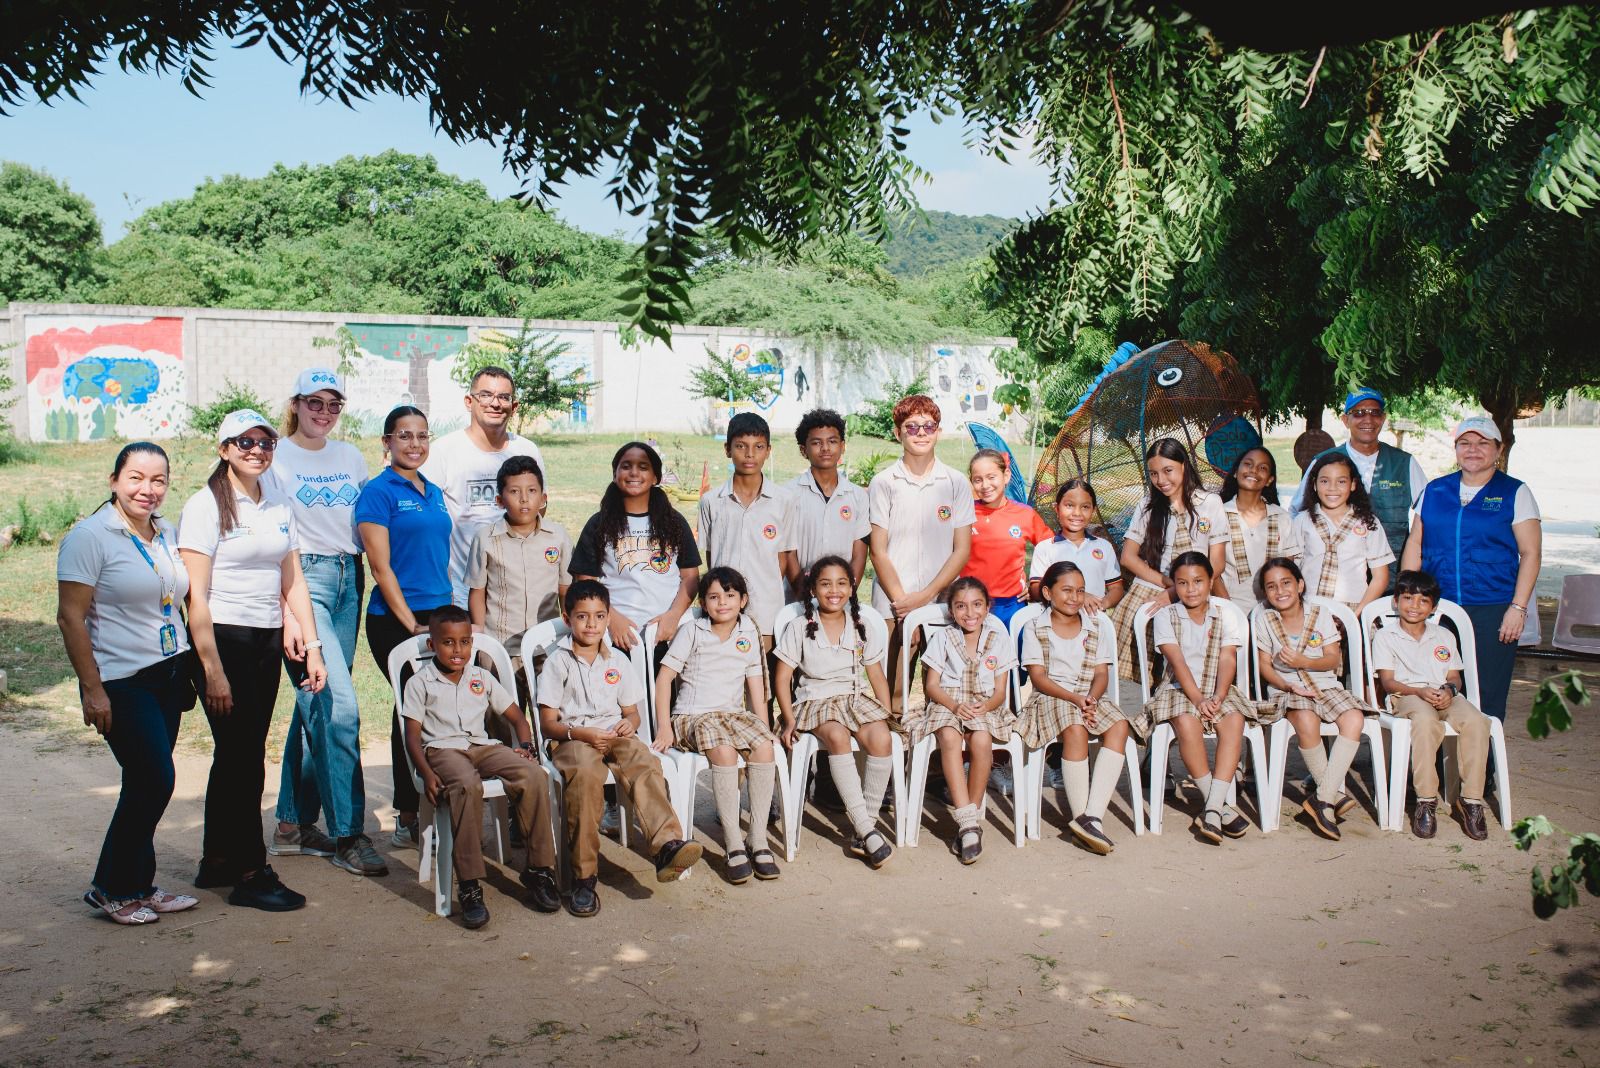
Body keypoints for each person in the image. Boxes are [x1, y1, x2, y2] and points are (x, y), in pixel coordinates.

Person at [178, 410, 328, 911]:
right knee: (245, 761)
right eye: (244, 442)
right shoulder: (204, 506)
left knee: (237, 754)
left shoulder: (277, 501)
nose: (256, 450)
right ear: (223, 449)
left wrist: (310, 641)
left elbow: (293, 579)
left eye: (265, 442)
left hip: (265, 641)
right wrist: (212, 667)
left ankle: (216, 860)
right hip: (222, 640)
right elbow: (194, 597)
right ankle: (249, 870)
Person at [58, 442, 201, 925]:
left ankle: (140, 884)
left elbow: (173, 600)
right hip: (121, 680)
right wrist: (91, 688)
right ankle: (111, 888)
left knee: (148, 782)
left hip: (167, 674)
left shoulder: (164, 532)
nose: (148, 489)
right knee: (153, 779)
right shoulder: (90, 536)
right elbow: (70, 618)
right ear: (114, 480)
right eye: (136, 478)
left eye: (158, 480)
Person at [262, 368, 385, 878]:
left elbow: (364, 521)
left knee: (317, 698)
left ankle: (290, 824)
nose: (324, 413)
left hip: (345, 578)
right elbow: (268, 535)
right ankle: (347, 835)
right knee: (339, 706)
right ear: (296, 403)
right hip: (301, 578)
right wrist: (289, 611)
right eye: (315, 403)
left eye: (334, 405)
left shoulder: (350, 456)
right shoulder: (275, 458)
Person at [537, 580, 704, 916]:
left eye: (599, 616)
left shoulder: (618, 661)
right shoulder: (558, 662)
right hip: (574, 737)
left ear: (608, 617)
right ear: (567, 618)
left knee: (644, 762)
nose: (591, 624)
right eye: (582, 617)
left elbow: (632, 713)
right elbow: (547, 723)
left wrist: (631, 723)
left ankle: (666, 846)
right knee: (584, 778)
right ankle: (584, 877)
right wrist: (581, 734)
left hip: (615, 732)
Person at [402, 606, 561, 928]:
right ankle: (471, 884)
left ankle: (539, 871)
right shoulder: (420, 683)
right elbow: (412, 738)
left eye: (464, 642)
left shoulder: (481, 677)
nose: (457, 650)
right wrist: (427, 773)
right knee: (466, 784)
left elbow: (517, 717)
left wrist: (525, 746)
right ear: (432, 645)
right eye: (448, 643)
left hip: (481, 745)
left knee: (531, 775)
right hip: (442, 750)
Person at [356, 405, 454, 849]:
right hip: (398, 622)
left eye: (422, 436)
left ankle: (437, 798)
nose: (414, 444)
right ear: (387, 442)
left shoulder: (432, 490)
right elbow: (381, 567)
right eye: (404, 436)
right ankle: (407, 812)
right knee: (411, 712)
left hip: (439, 615)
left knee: (439, 709)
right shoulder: (378, 492)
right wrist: (411, 622)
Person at [1401, 416, 1542, 724]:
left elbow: (1531, 553)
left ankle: (1486, 767)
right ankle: (1435, 767)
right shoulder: (1435, 491)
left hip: (1493, 608)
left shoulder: (1515, 492)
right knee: (1434, 685)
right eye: (1465, 443)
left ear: (1499, 449)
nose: (1473, 450)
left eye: (1482, 443)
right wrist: (1407, 596)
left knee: (1487, 690)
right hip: (1437, 607)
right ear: (1456, 449)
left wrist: (1517, 608)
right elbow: (1415, 543)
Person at [651, 568, 781, 884]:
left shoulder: (748, 632)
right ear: (704, 603)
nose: (722, 602)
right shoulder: (693, 631)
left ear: (743, 600)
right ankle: (734, 843)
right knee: (723, 753)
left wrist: (763, 726)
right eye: (713, 597)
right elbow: (665, 678)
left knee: (764, 747)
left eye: (730, 595)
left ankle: (758, 839)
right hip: (692, 717)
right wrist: (664, 726)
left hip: (732, 716)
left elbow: (755, 686)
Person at [774, 555, 897, 869]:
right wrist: (787, 719)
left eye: (842, 583)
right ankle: (867, 828)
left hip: (853, 699)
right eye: (825, 583)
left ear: (852, 586)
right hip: (813, 702)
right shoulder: (800, 626)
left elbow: (876, 674)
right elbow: (783, 676)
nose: (834, 590)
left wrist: (884, 712)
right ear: (813, 588)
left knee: (881, 738)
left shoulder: (861, 625)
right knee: (838, 736)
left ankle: (863, 827)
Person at [1130, 552, 1260, 845]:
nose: (1191, 589)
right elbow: (1177, 663)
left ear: (1211, 581)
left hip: (1219, 687)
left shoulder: (1225, 614)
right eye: (1183, 583)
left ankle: (1213, 808)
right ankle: (1216, 805)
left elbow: (1228, 659)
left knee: (1234, 719)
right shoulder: (1166, 616)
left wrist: (1219, 695)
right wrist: (1199, 699)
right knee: (1187, 724)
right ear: (1174, 586)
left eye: (1199, 581)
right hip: (1180, 688)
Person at [868, 395, 975, 716]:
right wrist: (903, 606)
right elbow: (878, 550)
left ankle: (935, 762)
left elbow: (962, 549)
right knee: (893, 689)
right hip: (892, 601)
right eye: (911, 426)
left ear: (938, 431)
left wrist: (925, 597)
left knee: (943, 687)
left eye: (928, 426)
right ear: (898, 431)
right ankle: (891, 760)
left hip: (942, 602)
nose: (920, 433)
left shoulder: (955, 483)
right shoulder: (884, 482)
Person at [1017, 561, 1131, 855]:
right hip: (1050, 698)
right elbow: (1039, 678)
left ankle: (1090, 817)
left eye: (1080, 591)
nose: (1074, 597)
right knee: (1075, 726)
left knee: (1119, 725)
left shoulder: (1095, 627)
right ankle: (1081, 814)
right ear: (1046, 592)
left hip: (1088, 695)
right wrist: (1076, 700)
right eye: (1066, 590)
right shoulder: (1034, 628)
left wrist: (1091, 698)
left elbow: (1102, 674)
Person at [1254, 558, 1371, 841]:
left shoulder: (1319, 614)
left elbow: (1332, 659)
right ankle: (1329, 801)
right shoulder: (1263, 619)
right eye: (1271, 587)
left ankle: (1323, 799)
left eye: (1286, 583)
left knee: (1354, 718)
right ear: (1266, 593)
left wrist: (1305, 660)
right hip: (1288, 688)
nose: (1280, 591)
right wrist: (1287, 685)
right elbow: (1264, 665)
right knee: (1306, 720)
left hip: (1325, 684)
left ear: (1300, 585)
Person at [902, 577, 1017, 865]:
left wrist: (984, 706)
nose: (970, 613)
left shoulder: (998, 638)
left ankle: (969, 818)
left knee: (981, 739)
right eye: (961, 607)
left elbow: (1001, 692)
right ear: (951, 611)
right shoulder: (943, 638)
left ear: (988, 607)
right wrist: (954, 705)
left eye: (977, 605)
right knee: (950, 737)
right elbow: (931, 686)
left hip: (983, 702)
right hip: (947, 701)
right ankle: (969, 824)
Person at [1371, 570, 1491, 840]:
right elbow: (1389, 683)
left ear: (1433, 607)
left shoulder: (1444, 636)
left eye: (1423, 601)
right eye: (1408, 598)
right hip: (1408, 695)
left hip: (1442, 694)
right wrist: (1419, 691)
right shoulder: (1386, 637)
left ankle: (1471, 801)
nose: (1414, 606)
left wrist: (1449, 690)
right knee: (1425, 722)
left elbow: (1454, 677)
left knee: (1477, 721)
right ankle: (1426, 801)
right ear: (1395, 601)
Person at [421, 365, 545, 608]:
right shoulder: (444, 451)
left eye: (503, 397)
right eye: (485, 395)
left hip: (516, 588)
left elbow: (539, 508)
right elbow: (427, 520)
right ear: (469, 401)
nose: (495, 403)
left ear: (514, 406)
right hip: (460, 589)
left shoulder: (527, 450)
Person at [1108, 438, 1228, 682]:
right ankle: (1151, 691)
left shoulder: (1209, 503)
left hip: (1199, 586)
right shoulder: (1147, 506)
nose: (1161, 480)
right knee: (1137, 618)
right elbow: (1128, 557)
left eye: (1168, 471)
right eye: (1153, 474)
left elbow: (1217, 562)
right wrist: (1168, 585)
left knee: (1197, 658)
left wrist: (1183, 589)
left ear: (1183, 465)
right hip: (1157, 584)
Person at [570, 441, 701, 656]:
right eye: (626, 466)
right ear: (615, 473)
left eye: (643, 467)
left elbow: (690, 577)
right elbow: (585, 582)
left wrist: (674, 615)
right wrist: (611, 618)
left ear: (655, 477)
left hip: (667, 632)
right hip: (616, 635)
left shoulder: (674, 522)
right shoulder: (598, 524)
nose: (633, 473)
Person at [466, 455, 570, 714]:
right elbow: (477, 591)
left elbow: (565, 589)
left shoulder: (557, 537)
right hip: (499, 646)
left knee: (549, 716)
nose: (524, 499)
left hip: (546, 647)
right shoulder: (486, 539)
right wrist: (480, 639)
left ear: (543, 498)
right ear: (500, 500)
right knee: (499, 720)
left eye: (532, 491)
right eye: (514, 492)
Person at [1291, 388, 1427, 569]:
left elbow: (1427, 517)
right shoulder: (1323, 462)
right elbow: (1296, 512)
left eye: (1375, 413)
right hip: (1337, 578)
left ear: (1383, 418)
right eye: (1359, 413)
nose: (1368, 419)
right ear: (1345, 420)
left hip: (1392, 580)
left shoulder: (1404, 463)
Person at [698, 412, 794, 645]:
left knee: (764, 675)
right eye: (741, 446)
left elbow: (783, 558)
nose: (750, 454)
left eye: (758, 446)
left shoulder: (784, 500)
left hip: (766, 609)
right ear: (727, 449)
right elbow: (712, 556)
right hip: (721, 609)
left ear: (768, 451)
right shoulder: (711, 501)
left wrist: (763, 588)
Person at [1293, 452, 1393, 617]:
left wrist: (1356, 616)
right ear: (1314, 484)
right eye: (1325, 481)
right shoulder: (1302, 521)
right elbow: (1292, 572)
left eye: (1341, 481)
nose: (1332, 488)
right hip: (1308, 609)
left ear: (1353, 484)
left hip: (1352, 611)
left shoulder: (1368, 523)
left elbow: (1380, 578)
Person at [781, 408, 870, 595]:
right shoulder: (788, 494)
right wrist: (804, 595)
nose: (825, 448)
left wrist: (847, 593)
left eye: (832, 441)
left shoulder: (857, 496)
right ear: (803, 450)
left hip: (841, 598)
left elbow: (859, 554)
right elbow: (788, 552)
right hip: (797, 598)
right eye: (816, 443)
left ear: (842, 446)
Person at [962, 448, 1052, 628]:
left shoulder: (1025, 514)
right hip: (969, 603)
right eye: (978, 480)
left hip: (1011, 605)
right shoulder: (964, 512)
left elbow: (1053, 549)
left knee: (1011, 655)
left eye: (991, 477)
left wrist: (1038, 583)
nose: (985, 485)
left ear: (1006, 475)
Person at [1214, 447, 1302, 614]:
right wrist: (1227, 608)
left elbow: (1287, 569)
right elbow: (1211, 568)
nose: (1253, 470)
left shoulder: (1281, 517)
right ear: (1235, 472)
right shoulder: (1218, 514)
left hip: (1272, 609)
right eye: (1247, 464)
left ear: (1269, 480)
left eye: (1262, 468)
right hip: (1228, 607)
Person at [1027, 479, 1123, 612]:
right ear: (1057, 508)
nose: (1077, 513)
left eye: (1085, 507)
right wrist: (1079, 597)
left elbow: (1116, 589)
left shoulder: (1104, 547)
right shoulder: (1045, 548)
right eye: (1069, 505)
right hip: (1055, 623)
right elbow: (1035, 589)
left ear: (1093, 510)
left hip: (1093, 622)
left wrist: (1101, 605)